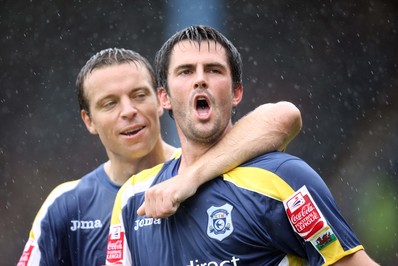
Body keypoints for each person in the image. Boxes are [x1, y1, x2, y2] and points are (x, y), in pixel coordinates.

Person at [105, 26, 379, 265]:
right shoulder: (133, 197)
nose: (200, 79)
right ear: (163, 97)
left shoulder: (283, 178)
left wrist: (190, 178)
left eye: (214, 70)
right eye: (185, 71)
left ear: (236, 93)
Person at [17, 47, 301, 266]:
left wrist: (190, 178)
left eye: (139, 95)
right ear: (88, 120)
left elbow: (283, 117)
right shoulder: (66, 206)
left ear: (161, 99)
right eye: (110, 103)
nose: (128, 111)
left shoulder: (216, 167)